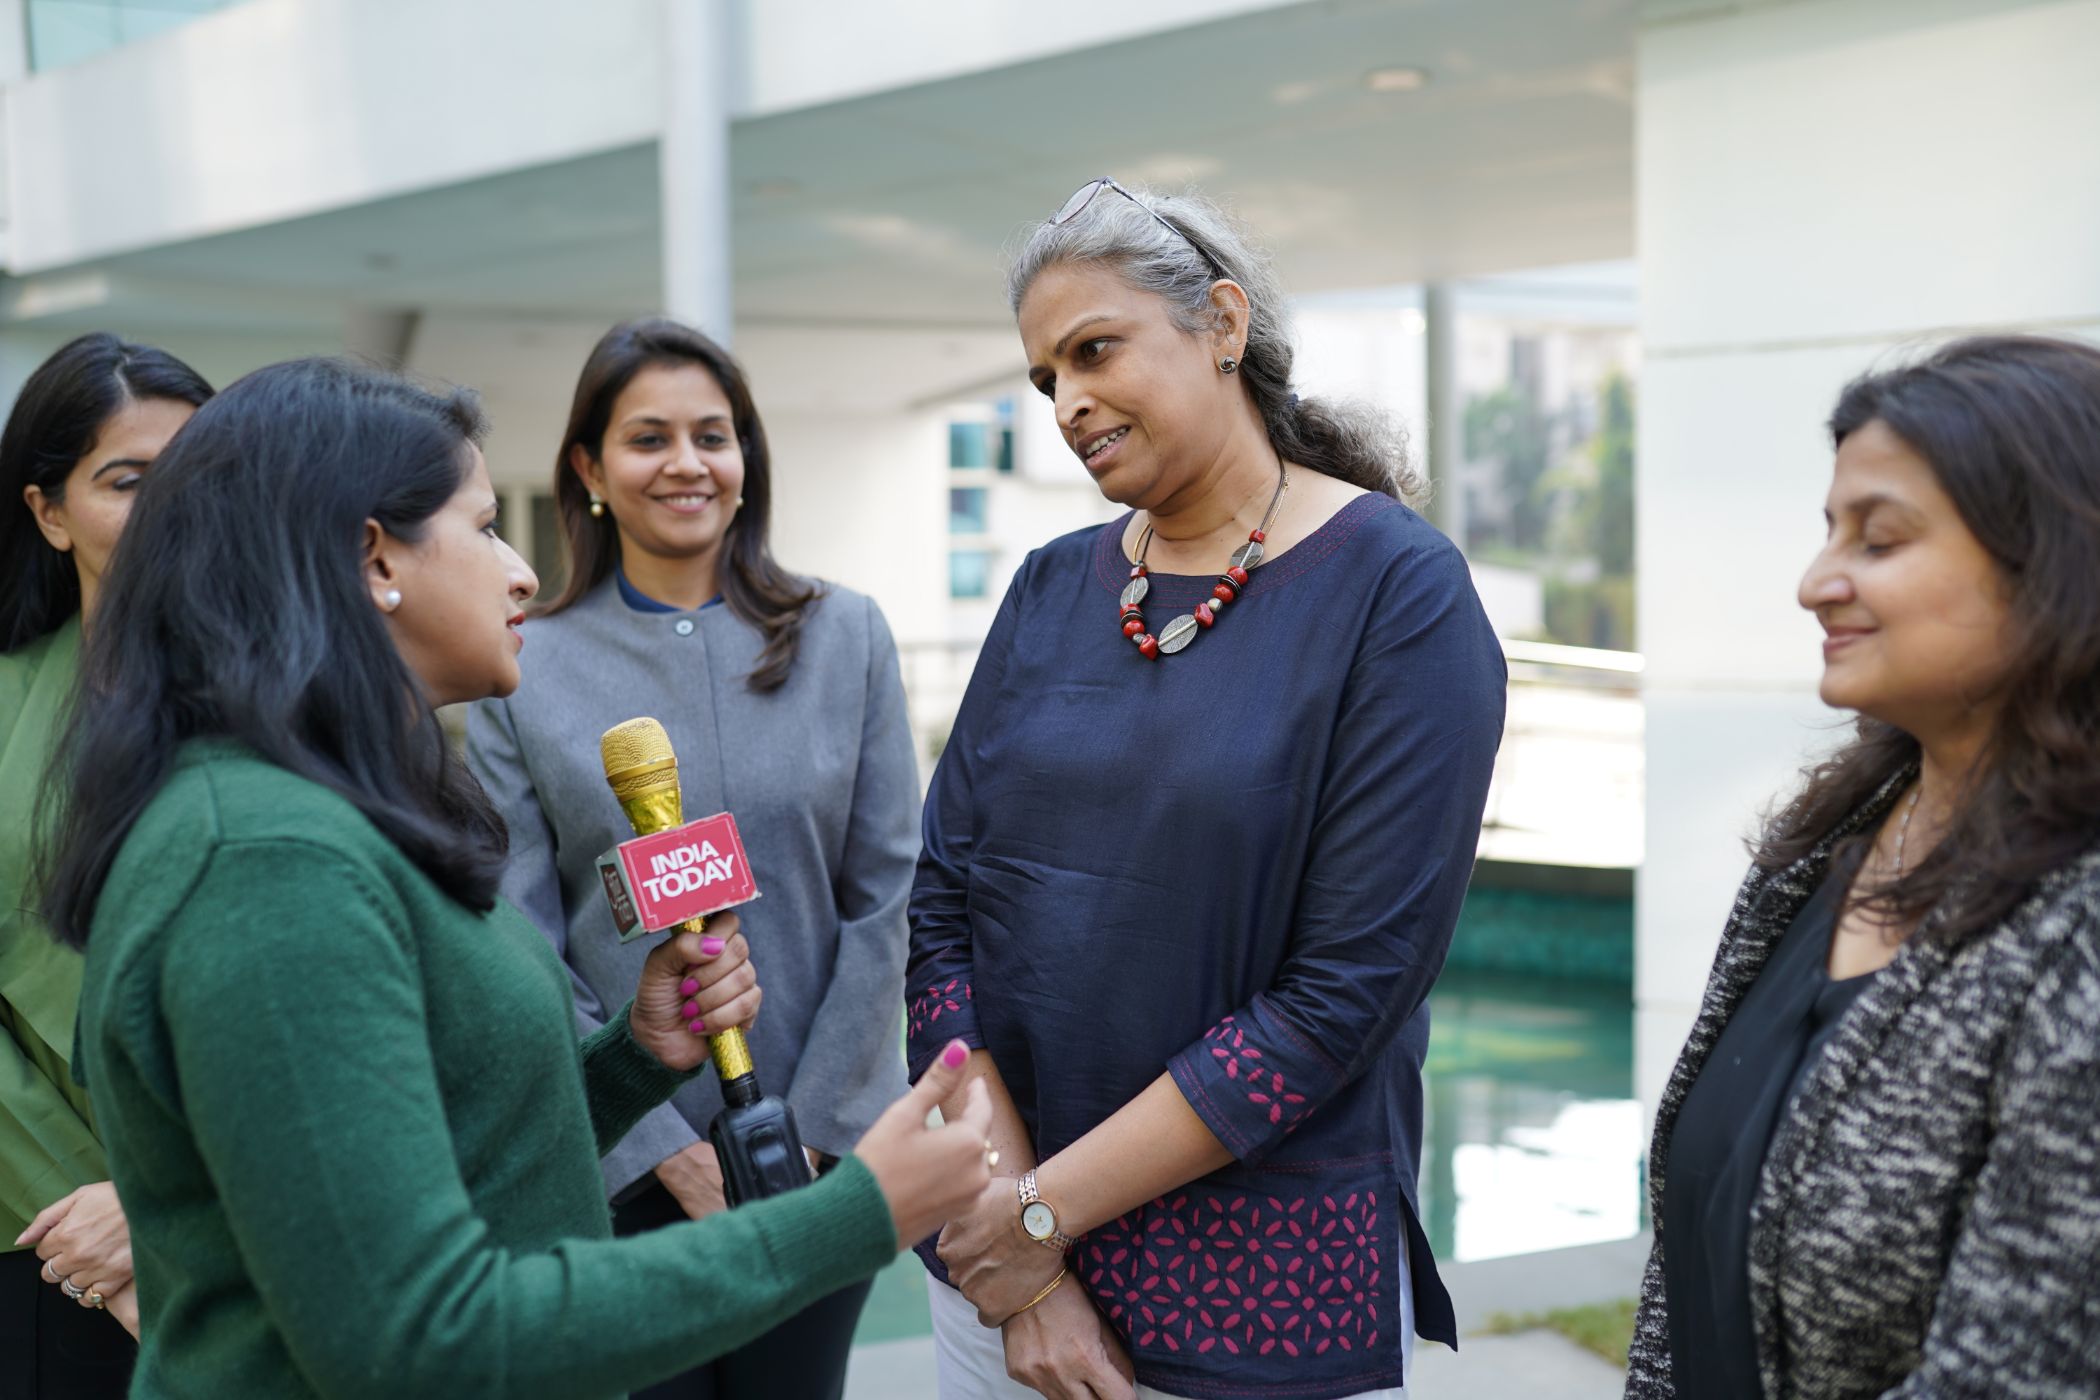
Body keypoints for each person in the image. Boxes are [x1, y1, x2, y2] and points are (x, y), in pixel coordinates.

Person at [36, 356, 994, 1399]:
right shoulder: (268, 869)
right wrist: (853, 1216)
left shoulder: (329, 810)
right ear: (374, 558)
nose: (522, 572)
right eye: (486, 527)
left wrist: (634, 1058)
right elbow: (418, 1335)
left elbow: (441, 1147)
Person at [906, 180, 1507, 1400]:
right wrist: (1023, 1259)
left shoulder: (1399, 595)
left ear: (1223, 323)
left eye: (1094, 350)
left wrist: (1038, 1216)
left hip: (1252, 1307)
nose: (1067, 403)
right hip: (996, 1289)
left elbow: (1340, 997)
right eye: (1045, 378)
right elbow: (942, 915)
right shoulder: (1048, 587)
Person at [1625, 335, 2100, 1398]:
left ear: (2055, 562)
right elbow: (1684, 1273)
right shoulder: (1820, 849)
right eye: (1829, 530)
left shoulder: (2079, 922)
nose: (1815, 583)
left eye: (1879, 539)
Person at [465, 317, 919, 1400]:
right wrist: (661, 1148)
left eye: (712, 436)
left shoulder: (846, 636)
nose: (686, 463)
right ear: (589, 469)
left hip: (813, 1166)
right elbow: (521, 933)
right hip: (618, 1162)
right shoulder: (522, 663)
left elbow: (887, 894)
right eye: (648, 437)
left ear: (745, 458)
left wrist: (810, 1139)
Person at [1, 332, 212, 1393]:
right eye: (127, 481)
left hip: (262, 1221)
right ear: (48, 512)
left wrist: (167, 1193)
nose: (169, 507)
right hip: (46, 1237)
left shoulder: (315, 693)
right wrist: (96, 1204)